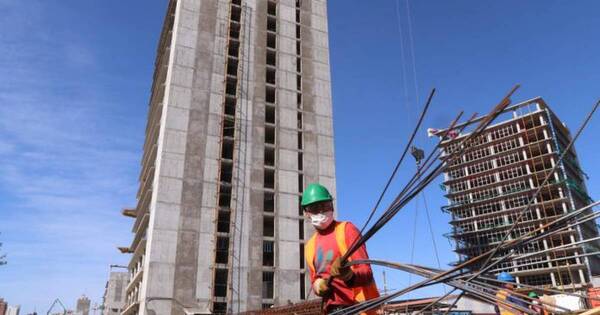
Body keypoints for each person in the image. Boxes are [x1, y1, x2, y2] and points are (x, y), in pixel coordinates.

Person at [302, 183, 380, 314]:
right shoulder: (310, 247)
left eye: (325, 205)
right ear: (306, 213)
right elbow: (314, 280)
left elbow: (367, 272)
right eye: (315, 208)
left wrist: (348, 275)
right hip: (331, 310)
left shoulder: (347, 230)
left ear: (331, 205)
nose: (321, 211)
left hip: (357, 309)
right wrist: (319, 286)